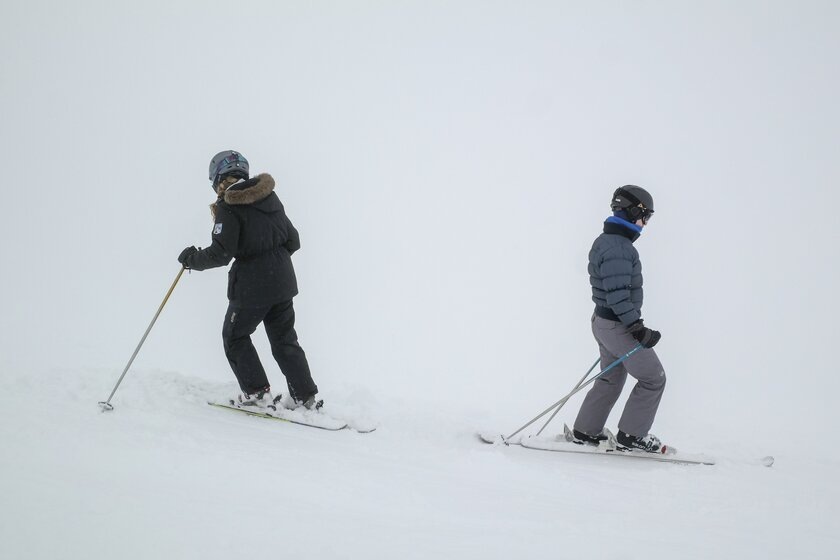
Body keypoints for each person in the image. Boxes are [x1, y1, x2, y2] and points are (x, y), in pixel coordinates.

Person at [178, 150, 322, 411]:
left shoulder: (229, 206)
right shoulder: (269, 196)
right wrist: (273, 262)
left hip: (253, 287)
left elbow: (221, 254)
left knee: (234, 336)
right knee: (284, 340)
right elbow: (294, 240)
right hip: (283, 282)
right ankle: (304, 397)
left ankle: (256, 392)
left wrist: (191, 260)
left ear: (218, 178)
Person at [572, 185, 665, 452]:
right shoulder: (620, 248)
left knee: (611, 377)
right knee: (653, 378)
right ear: (633, 211)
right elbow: (618, 295)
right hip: (617, 325)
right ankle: (632, 435)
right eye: (645, 216)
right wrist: (637, 328)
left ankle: (586, 430)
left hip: (603, 323)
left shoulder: (607, 241)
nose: (645, 223)